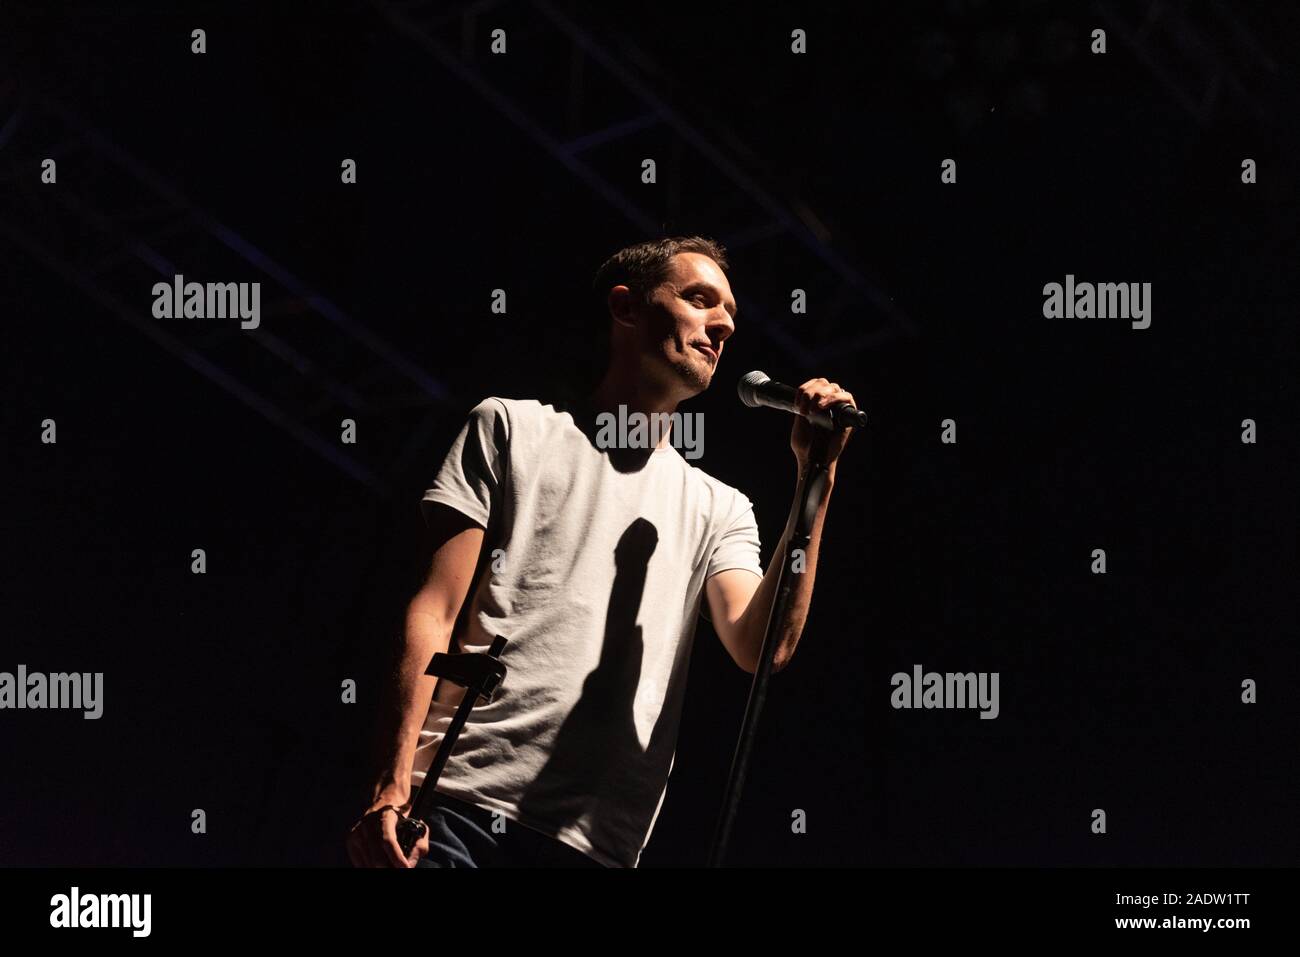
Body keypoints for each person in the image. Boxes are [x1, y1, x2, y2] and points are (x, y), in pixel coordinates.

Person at [346, 236, 856, 868]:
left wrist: (816, 482)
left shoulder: (720, 507)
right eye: (699, 300)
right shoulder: (512, 428)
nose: (722, 325)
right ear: (627, 308)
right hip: (462, 807)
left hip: (599, 845)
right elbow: (434, 609)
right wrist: (390, 785)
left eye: (729, 315)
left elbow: (762, 647)